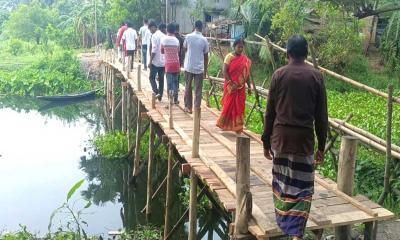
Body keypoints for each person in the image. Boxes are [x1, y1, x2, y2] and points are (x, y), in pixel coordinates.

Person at [261, 35, 328, 240]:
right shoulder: (316, 77)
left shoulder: (278, 75)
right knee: (303, 188)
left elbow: (270, 112)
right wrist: (321, 146)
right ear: (305, 53)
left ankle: (286, 225)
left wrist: (266, 140)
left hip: (281, 140)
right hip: (304, 143)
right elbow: (321, 116)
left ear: (288, 53)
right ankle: (297, 233)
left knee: (282, 185)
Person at [216, 38, 251, 133]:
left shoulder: (245, 60)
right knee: (228, 105)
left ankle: (238, 127)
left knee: (239, 107)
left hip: (241, 88)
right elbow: (224, 71)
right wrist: (231, 82)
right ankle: (223, 124)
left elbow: (246, 74)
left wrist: (249, 87)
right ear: (234, 46)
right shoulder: (229, 57)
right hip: (230, 87)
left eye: (242, 47)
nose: (240, 49)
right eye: (239, 47)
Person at [183, 20, 209, 114]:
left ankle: (189, 107)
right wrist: (205, 71)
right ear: (202, 27)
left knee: (188, 87)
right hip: (199, 68)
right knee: (198, 89)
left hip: (189, 66)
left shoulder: (188, 37)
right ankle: (197, 108)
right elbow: (206, 57)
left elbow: (184, 48)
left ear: (194, 26)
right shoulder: (204, 40)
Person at [161, 23, 180, 104]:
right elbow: (178, 51)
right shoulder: (176, 40)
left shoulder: (164, 40)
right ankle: (175, 99)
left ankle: (170, 100)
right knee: (176, 82)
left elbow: (161, 51)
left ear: (167, 30)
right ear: (174, 30)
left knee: (169, 83)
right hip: (176, 64)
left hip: (168, 65)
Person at [148, 21, 166, 101]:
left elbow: (154, 49)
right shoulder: (164, 35)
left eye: (150, 29)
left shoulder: (154, 36)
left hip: (155, 62)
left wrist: (150, 61)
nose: (150, 31)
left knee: (151, 77)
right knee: (161, 79)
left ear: (153, 27)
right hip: (163, 61)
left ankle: (156, 91)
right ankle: (160, 96)